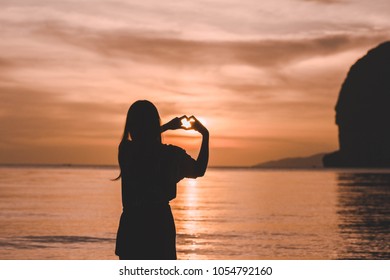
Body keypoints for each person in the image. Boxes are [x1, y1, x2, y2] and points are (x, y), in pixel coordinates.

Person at [115, 100, 209, 260]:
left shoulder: (126, 151)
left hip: (132, 228)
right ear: (154, 124)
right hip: (159, 226)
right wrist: (205, 135)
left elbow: (142, 143)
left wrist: (165, 127)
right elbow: (198, 170)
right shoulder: (169, 155)